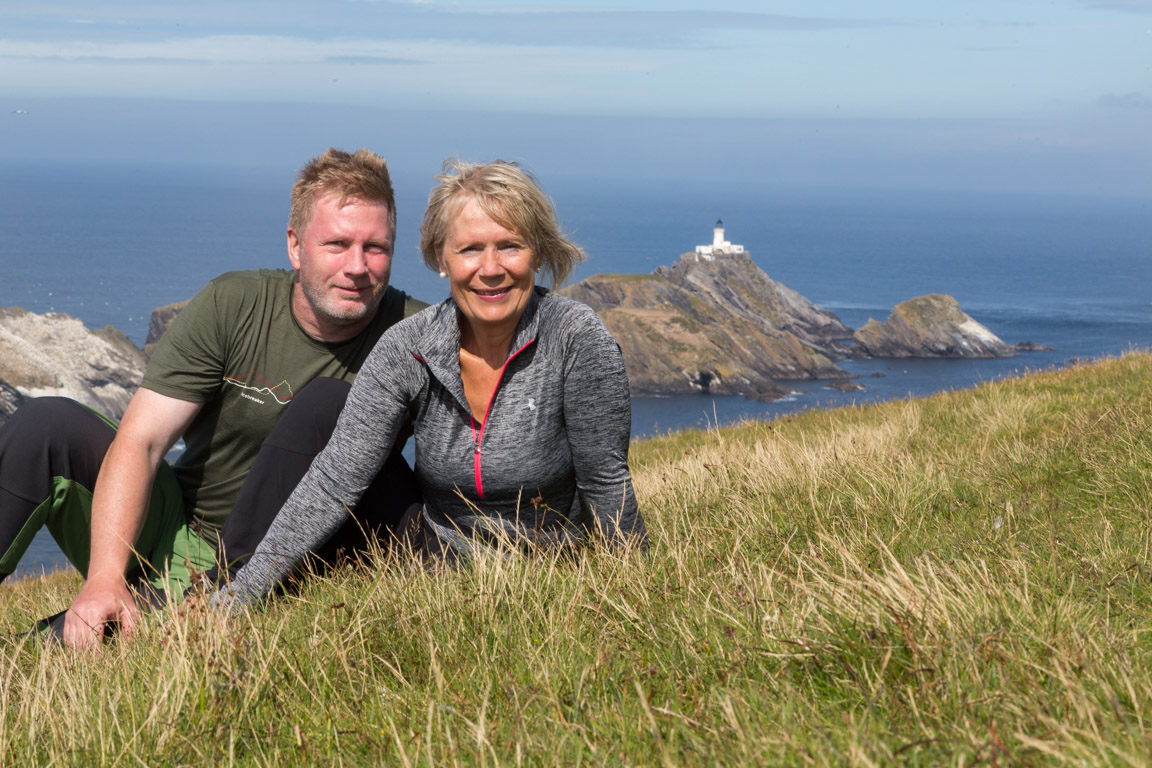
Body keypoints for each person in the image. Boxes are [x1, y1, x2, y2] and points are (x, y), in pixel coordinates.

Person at [0, 148, 425, 647]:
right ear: (295, 246)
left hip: (283, 559)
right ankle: (127, 595)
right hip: (179, 527)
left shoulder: (418, 338)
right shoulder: (234, 304)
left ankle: (50, 645)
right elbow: (142, 441)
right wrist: (104, 576)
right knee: (46, 423)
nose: (357, 266)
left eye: (376, 248)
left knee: (45, 651)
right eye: (337, 243)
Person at [212, 159, 648, 608]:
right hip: (434, 563)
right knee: (325, 406)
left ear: (536, 251)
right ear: (442, 257)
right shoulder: (409, 347)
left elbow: (605, 482)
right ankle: (218, 593)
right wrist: (241, 596)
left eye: (510, 246)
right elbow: (335, 480)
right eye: (470, 249)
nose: (492, 268)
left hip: (545, 571)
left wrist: (634, 597)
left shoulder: (574, 337)